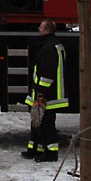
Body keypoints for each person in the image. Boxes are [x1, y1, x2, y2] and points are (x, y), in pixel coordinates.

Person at [22, 19, 67, 162]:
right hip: (44, 92)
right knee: (37, 122)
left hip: (47, 94)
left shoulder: (48, 48)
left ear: (47, 30)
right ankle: (34, 150)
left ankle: (51, 153)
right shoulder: (52, 45)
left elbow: (47, 75)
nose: (38, 29)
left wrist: (41, 94)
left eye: (41, 27)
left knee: (46, 124)